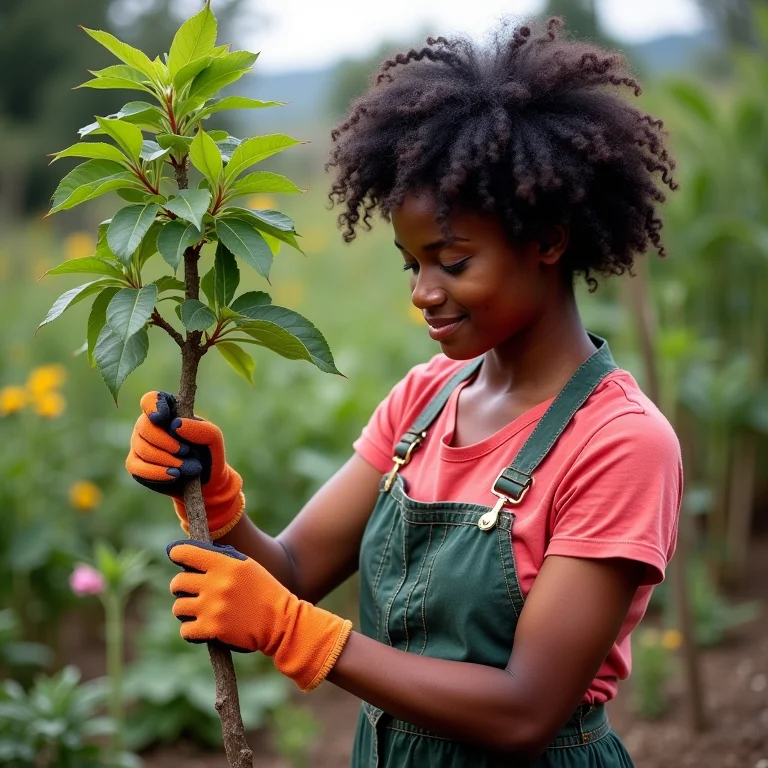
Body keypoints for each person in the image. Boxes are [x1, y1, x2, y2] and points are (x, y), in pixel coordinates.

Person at [126, 16, 682, 767]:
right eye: (410, 264)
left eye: (452, 261)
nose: (423, 292)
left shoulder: (619, 442)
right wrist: (216, 500)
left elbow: (525, 710)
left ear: (549, 240)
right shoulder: (425, 401)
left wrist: (298, 634)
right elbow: (291, 573)